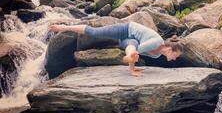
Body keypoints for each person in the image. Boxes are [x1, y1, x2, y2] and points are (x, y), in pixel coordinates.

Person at [48, 22, 183, 77]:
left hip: (130, 41)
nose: (175, 59)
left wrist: (132, 70)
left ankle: (127, 56)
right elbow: (137, 52)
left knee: (133, 46)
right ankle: (63, 27)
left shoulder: (156, 56)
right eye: (176, 55)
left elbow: (135, 51)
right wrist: (131, 60)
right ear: (170, 49)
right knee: (94, 32)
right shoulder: (156, 42)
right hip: (125, 29)